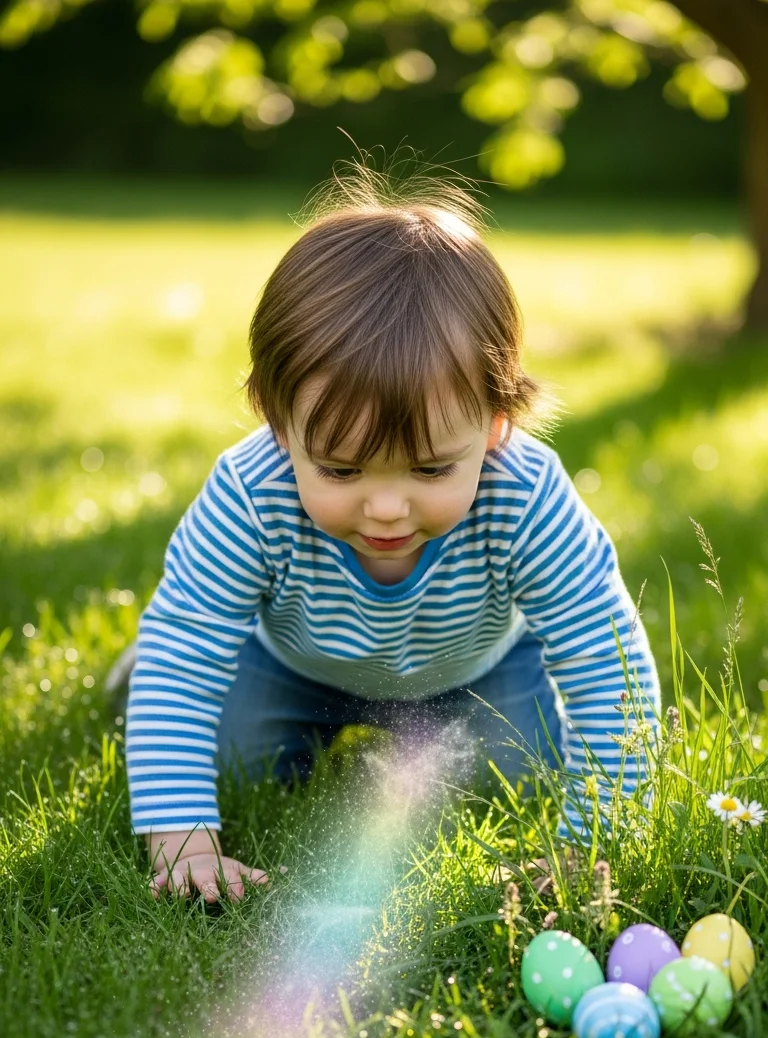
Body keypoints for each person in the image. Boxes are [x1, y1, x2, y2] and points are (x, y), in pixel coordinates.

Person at [120, 164, 660, 904]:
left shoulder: (527, 494)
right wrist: (182, 841)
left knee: (525, 765)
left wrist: (595, 842)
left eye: (431, 469)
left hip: (475, 670)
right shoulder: (249, 493)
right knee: (229, 756)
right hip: (294, 665)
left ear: (497, 424)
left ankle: (427, 736)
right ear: (279, 424)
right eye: (341, 471)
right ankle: (139, 661)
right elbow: (186, 652)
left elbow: (606, 659)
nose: (385, 510)